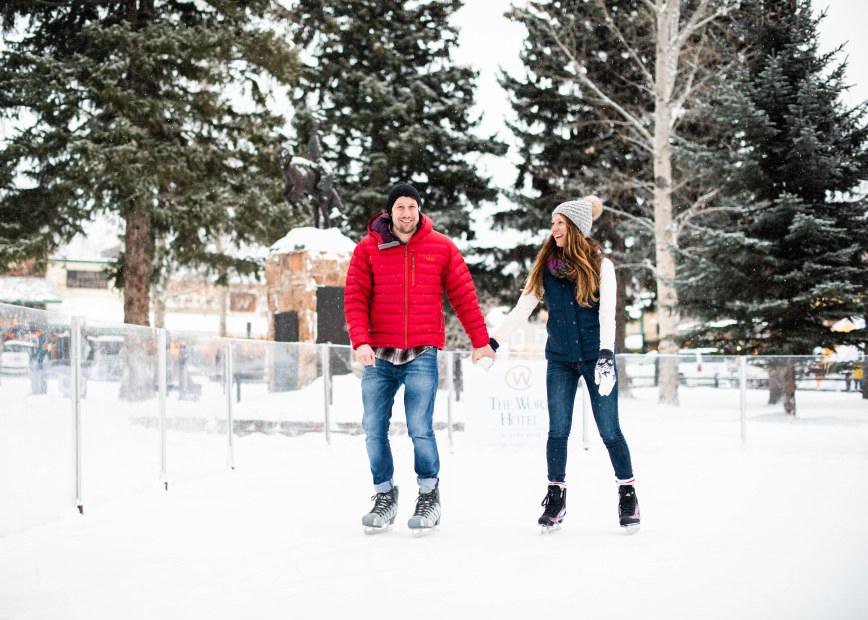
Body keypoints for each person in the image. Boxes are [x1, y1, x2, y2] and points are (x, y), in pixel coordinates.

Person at [344, 182, 496, 533]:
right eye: (400, 207)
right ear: (389, 211)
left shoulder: (441, 248)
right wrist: (360, 341)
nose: (407, 213)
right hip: (379, 355)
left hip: (421, 353)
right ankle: (385, 495)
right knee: (372, 428)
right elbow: (354, 297)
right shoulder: (368, 248)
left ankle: (429, 495)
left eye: (412, 207)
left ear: (419, 210)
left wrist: (480, 341)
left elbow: (464, 297)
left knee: (420, 428)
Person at [489, 196, 640, 533]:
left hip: (596, 357)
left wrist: (605, 354)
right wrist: (493, 341)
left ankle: (627, 494)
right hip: (560, 359)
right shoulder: (546, 267)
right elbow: (522, 306)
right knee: (558, 431)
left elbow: (607, 313)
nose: (553, 228)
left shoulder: (603, 265)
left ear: (574, 228)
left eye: (559, 222)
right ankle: (556, 497)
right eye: (553, 222)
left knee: (609, 430)